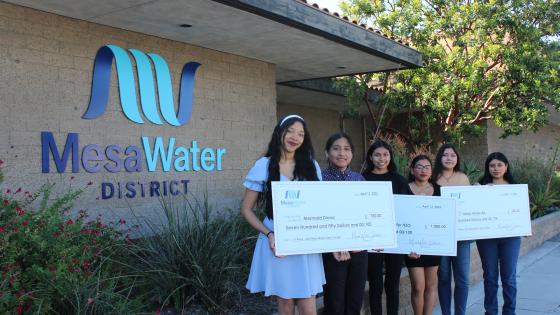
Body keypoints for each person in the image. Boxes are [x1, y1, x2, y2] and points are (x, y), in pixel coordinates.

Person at [241, 115, 324, 315]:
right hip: (278, 241)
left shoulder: (311, 166)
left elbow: (321, 205)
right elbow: (246, 209)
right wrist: (270, 234)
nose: (295, 137)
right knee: (285, 304)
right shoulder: (263, 165)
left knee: (308, 305)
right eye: (290, 131)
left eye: (301, 134)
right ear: (280, 131)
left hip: (305, 242)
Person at [362, 139, 412, 315]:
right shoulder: (363, 179)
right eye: (377, 154)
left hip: (395, 239)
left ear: (390, 157)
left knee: (393, 284)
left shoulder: (399, 180)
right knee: (375, 284)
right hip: (372, 239)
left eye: (385, 154)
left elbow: (410, 208)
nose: (381, 158)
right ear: (370, 157)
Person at [321, 132, 368, 315]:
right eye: (336, 148)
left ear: (352, 154)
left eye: (347, 149)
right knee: (334, 301)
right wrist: (335, 243)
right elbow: (319, 217)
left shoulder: (360, 180)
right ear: (327, 153)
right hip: (333, 252)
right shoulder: (319, 180)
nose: (342, 153)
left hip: (359, 251)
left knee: (355, 300)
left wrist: (367, 241)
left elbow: (368, 216)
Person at [476, 152, 521, 315]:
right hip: (487, 239)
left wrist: (525, 227)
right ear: (487, 168)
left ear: (506, 166)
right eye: (492, 165)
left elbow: (522, 213)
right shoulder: (478, 187)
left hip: (510, 238)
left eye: (499, 165)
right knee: (490, 277)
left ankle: (510, 311)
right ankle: (491, 312)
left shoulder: (515, 189)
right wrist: (477, 194)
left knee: (509, 278)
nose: (496, 169)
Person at [432, 143, 471, 315]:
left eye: (452, 155)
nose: (449, 158)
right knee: (444, 278)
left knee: (462, 279)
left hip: (461, 237)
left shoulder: (463, 178)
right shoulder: (432, 177)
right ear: (440, 158)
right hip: (440, 237)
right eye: (445, 155)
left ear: (457, 159)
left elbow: (470, 205)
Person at [406, 155, 441, 315]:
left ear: (431, 171)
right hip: (412, 247)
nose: (423, 170)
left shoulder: (439, 190)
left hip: (433, 244)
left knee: (431, 286)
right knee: (418, 286)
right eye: (419, 167)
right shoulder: (404, 189)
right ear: (412, 170)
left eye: (427, 167)